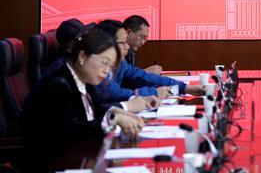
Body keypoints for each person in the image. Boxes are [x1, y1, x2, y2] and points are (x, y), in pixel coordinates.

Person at [21, 29, 144, 171]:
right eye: (104, 63)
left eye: (110, 66)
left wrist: (116, 112)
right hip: (52, 164)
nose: (106, 71)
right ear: (82, 57)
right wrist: (111, 119)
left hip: (78, 158)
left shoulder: (84, 78)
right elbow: (68, 132)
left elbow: (91, 112)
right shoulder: (57, 85)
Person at [94, 19, 206, 103]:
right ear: (106, 44)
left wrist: (184, 88)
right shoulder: (95, 69)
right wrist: (154, 93)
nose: (127, 47)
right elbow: (114, 93)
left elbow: (144, 77)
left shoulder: (121, 63)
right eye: (123, 43)